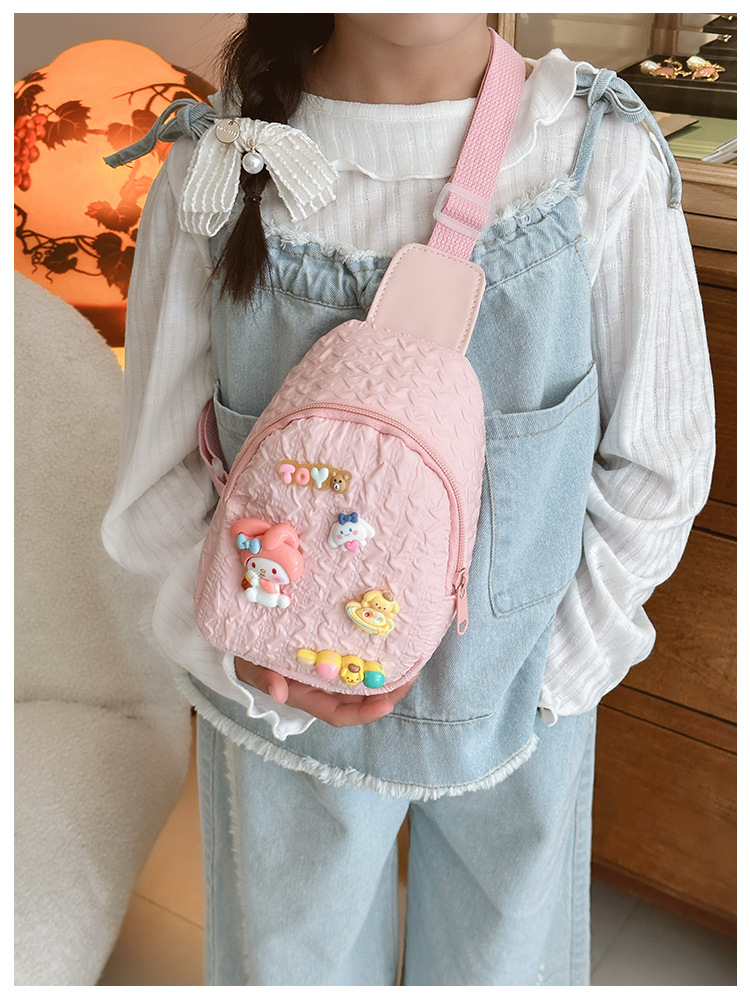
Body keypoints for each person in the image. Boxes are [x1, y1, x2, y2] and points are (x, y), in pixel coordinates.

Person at [102, 13, 715, 987]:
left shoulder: (595, 158)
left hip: (517, 704)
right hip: (277, 698)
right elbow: (160, 483)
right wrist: (249, 661)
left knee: (500, 966)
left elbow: (657, 464)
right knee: (292, 963)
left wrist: (545, 677)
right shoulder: (217, 167)